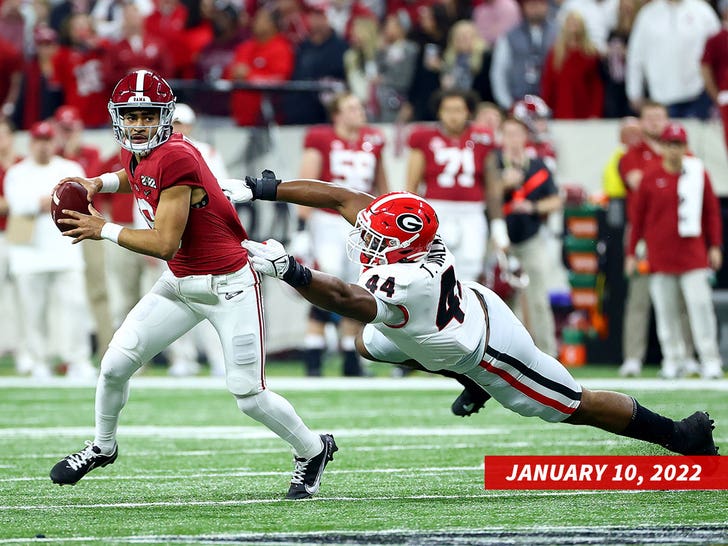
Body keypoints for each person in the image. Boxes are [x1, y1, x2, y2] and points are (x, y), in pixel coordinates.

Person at [237, 173, 719, 458]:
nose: (367, 243)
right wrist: (265, 187)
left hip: (490, 348)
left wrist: (292, 271)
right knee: (368, 344)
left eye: (378, 242)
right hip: (452, 312)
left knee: (574, 404)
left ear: (403, 249)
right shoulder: (418, 242)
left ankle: (679, 435)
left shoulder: (409, 280)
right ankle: (463, 380)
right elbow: (344, 199)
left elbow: (346, 300)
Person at [48, 70, 337, 500]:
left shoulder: (177, 156)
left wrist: (101, 227)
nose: (139, 124)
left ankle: (313, 450)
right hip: (181, 281)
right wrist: (99, 182)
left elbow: (165, 242)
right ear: (119, 118)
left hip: (228, 285)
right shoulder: (143, 152)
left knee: (248, 394)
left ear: (163, 117)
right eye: (131, 116)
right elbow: (135, 174)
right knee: (113, 366)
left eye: (148, 116)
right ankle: (103, 447)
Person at [296, 92, 388, 377]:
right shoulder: (320, 138)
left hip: (362, 224)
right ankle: (313, 351)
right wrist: (301, 226)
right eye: (350, 107)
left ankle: (350, 352)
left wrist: (385, 222)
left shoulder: (374, 139)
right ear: (336, 114)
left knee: (356, 285)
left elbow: (381, 186)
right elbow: (307, 183)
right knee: (328, 279)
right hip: (327, 220)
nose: (358, 112)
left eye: (359, 106)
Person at [627, 123, 724, 380]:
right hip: (660, 255)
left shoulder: (697, 173)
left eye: (678, 144)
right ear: (663, 147)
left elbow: (711, 212)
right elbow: (638, 218)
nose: (674, 150)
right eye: (670, 144)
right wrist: (630, 253)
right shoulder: (650, 176)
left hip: (692, 255)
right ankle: (673, 359)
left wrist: (714, 245)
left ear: (685, 147)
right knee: (666, 312)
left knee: (700, 308)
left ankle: (710, 359)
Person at [4, 121, 96, 379]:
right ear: (31, 143)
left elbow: (81, 201)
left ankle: (78, 359)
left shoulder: (70, 169)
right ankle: (38, 359)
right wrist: (42, 202)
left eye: (47, 141)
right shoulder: (17, 172)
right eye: (38, 141)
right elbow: (16, 204)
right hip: (29, 255)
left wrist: (45, 203)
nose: (43, 146)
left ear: (54, 143)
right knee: (33, 311)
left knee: (75, 307)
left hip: (66, 251)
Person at [486, 116, 561, 356]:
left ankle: (548, 355)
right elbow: (484, 197)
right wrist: (503, 186)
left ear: (525, 137)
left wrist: (533, 207)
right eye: (507, 134)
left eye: (517, 134)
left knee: (538, 298)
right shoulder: (493, 162)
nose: (512, 140)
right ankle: (504, 354)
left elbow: (556, 199)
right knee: (499, 299)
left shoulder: (538, 165)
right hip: (498, 238)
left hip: (530, 238)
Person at [405, 89, 495, 283]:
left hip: (472, 211)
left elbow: (492, 183)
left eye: (458, 110)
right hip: (437, 210)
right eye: (448, 110)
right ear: (439, 112)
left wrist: (498, 224)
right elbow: (412, 184)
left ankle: (464, 311)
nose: (453, 116)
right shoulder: (424, 137)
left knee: (471, 266)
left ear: (468, 112)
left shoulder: (483, 138)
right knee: (433, 268)